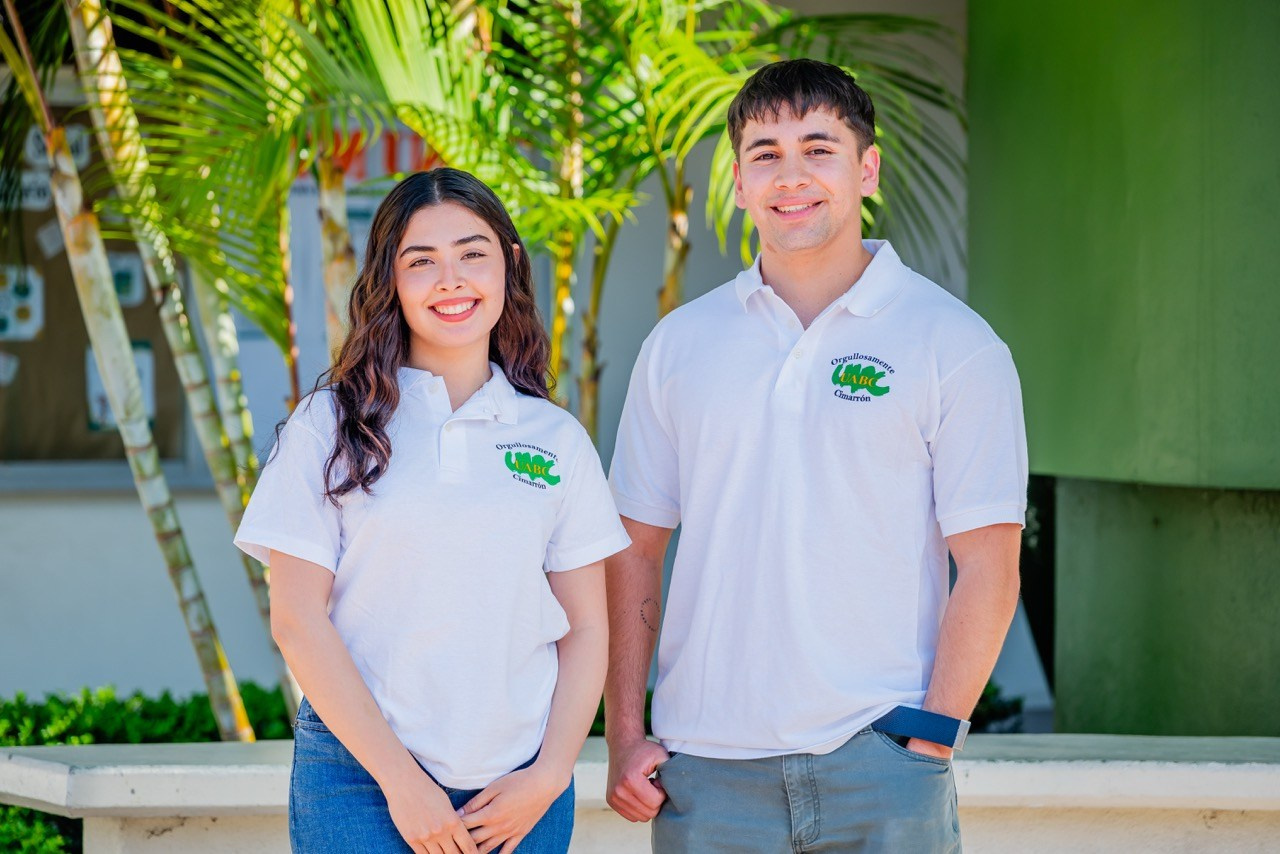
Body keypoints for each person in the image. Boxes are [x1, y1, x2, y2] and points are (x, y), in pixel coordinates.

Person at [604, 59, 1028, 852]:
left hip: (882, 767)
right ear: (737, 183)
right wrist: (626, 733)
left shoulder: (954, 344)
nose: (790, 174)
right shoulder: (679, 346)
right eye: (764, 153)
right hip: (707, 772)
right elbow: (634, 549)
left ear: (866, 169)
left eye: (818, 148)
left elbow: (991, 567)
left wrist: (927, 740)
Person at [234, 168, 629, 854]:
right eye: (422, 262)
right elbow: (297, 620)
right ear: (390, 280)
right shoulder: (328, 427)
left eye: (472, 254)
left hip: (521, 788)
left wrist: (550, 774)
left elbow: (589, 626)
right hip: (359, 781)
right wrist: (401, 782)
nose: (451, 279)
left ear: (507, 265)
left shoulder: (554, 438)